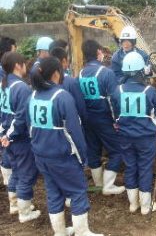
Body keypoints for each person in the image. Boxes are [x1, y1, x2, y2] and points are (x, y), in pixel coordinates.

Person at [27, 57, 103, 236]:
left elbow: (28, 126)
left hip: (41, 155)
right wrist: (82, 157)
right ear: (56, 73)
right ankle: (82, 232)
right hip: (62, 156)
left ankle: (60, 232)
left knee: (53, 193)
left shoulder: (33, 95)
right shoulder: (62, 97)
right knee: (77, 191)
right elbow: (75, 132)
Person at [111, 51, 156, 215]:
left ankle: (133, 204)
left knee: (130, 167)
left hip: (125, 137)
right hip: (145, 138)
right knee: (145, 168)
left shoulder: (118, 90)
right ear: (142, 71)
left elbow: (114, 113)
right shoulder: (150, 91)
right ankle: (146, 206)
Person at [79, 39, 125, 195]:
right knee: (117, 151)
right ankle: (108, 185)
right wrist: (116, 120)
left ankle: (98, 184)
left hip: (87, 120)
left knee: (93, 151)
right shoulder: (106, 72)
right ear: (99, 52)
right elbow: (113, 100)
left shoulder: (80, 73)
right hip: (104, 120)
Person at [0, 52, 40, 222]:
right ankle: (25, 212)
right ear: (18, 65)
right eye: (23, 63)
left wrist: (3, 134)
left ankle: (14, 204)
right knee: (26, 174)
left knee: (16, 170)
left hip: (6, 137)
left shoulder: (4, 85)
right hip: (19, 139)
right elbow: (21, 117)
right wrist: (11, 135)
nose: (25, 66)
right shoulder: (21, 88)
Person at [50, 47, 86, 126]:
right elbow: (81, 107)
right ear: (64, 61)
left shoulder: (45, 80)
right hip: (70, 124)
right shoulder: (71, 82)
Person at [0, 36, 17, 186]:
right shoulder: (3, 73)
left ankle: (8, 181)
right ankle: (9, 182)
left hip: (4, 118)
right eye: (14, 47)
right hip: (6, 118)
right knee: (7, 149)